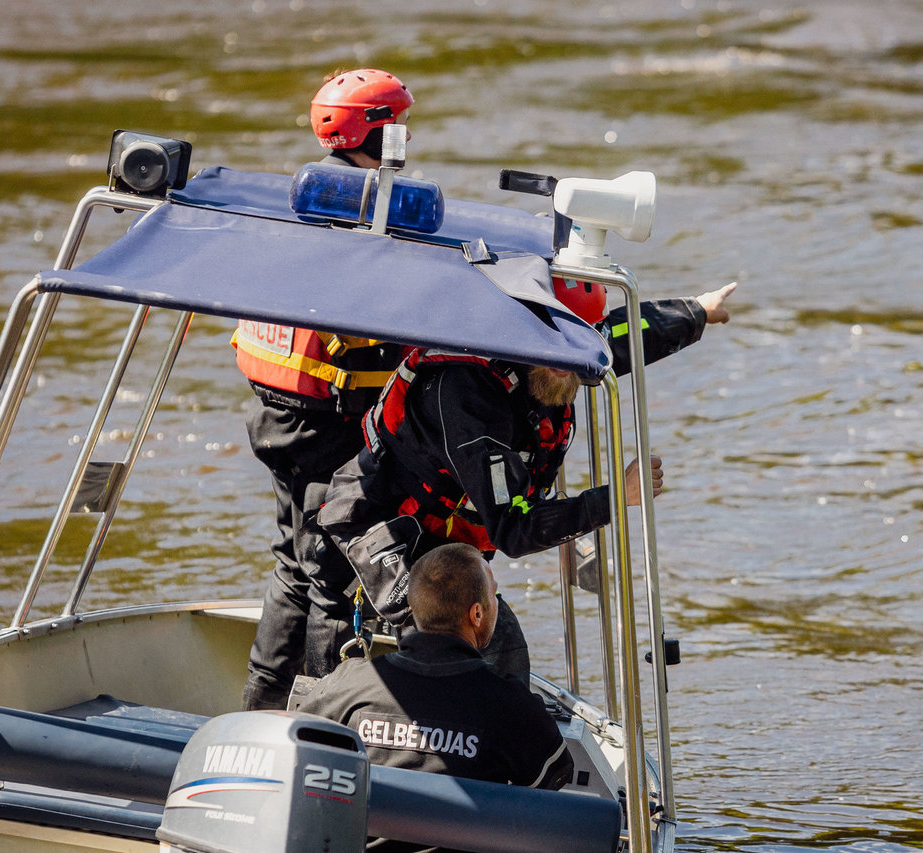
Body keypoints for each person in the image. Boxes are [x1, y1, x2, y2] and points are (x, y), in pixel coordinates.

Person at [313, 279, 739, 681]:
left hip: (442, 527)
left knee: (497, 652)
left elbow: (629, 333)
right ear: (521, 331)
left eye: (578, 345)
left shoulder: (569, 347)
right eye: (552, 348)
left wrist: (697, 310)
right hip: (382, 526)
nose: (565, 361)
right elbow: (513, 530)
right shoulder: (469, 395)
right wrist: (613, 498)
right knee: (482, 645)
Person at [238, 68, 416, 711]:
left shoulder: (302, 198)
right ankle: (314, 717)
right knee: (329, 581)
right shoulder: (365, 215)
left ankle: (261, 706)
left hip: (276, 417)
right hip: (327, 429)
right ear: (380, 132)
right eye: (398, 125)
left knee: (293, 564)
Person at [297, 542, 573, 794]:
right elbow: (554, 778)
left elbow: (296, 745)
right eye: (494, 595)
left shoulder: (351, 683)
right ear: (476, 614)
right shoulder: (511, 704)